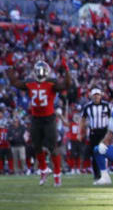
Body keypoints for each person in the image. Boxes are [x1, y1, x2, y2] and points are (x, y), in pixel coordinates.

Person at [7, 58, 72, 186]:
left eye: (42, 71)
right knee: (36, 146)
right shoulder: (30, 83)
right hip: (36, 118)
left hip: (49, 119)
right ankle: (43, 170)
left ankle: (57, 174)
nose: (41, 73)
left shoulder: (51, 83)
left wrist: (67, 70)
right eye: (39, 71)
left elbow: (67, 85)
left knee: (52, 148)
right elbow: (14, 82)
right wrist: (10, 69)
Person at [80, 88, 111, 181]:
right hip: (93, 132)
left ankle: (105, 173)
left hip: (104, 131)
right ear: (91, 96)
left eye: (98, 95)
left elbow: (111, 118)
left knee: (104, 151)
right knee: (94, 153)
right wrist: (80, 132)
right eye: (94, 95)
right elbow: (82, 119)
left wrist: (111, 131)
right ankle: (97, 175)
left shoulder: (106, 105)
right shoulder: (88, 107)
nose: (96, 96)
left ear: (101, 95)